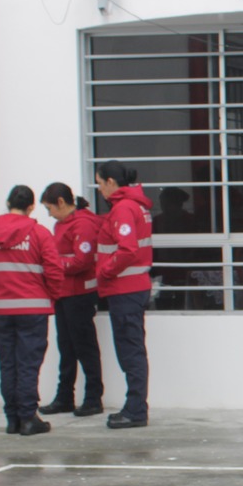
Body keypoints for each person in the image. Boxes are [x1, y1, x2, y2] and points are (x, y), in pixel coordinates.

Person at [0, 184, 67, 436]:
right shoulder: (39, 233)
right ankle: (28, 417)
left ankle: (12, 419)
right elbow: (54, 270)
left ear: (9, 203)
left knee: (7, 363)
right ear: (31, 207)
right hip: (33, 309)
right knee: (28, 364)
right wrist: (51, 295)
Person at [93, 161, 154, 429]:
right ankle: (135, 407)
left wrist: (104, 272)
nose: (98, 189)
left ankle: (135, 410)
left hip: (125, 289)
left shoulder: (124, 208)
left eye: (99, 183)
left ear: (110, 182)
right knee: (133, 350)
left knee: (130, 352)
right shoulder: (134, 205)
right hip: (131, 288)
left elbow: (127, 249)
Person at [38, 182, 107, 417]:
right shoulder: (62, 225)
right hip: (63, 293)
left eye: (49, 208)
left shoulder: (83, 225)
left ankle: (93, 397)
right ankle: (65, 396)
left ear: (60, 203)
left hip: (80, 295)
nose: (49, 215)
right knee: (66, 348)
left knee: (84, 347)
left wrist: (53, 265)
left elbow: (81, 261)